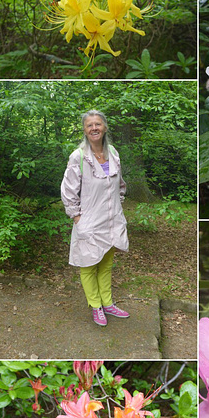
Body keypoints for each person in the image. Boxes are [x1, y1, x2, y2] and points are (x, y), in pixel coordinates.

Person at [61, 110, 130, 326]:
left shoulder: (113, 154)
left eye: (98, 124)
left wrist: (117, 205)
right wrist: (78, 219)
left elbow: (120, 185)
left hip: (111, 221)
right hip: (89, 222)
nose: (94, 128)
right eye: (89, 125)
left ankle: (108, 303)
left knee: (106, 264)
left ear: (105, 127)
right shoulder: (79, 156)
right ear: (84, 129)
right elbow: (68, 192)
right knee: (89, 264)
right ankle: (95, 306)